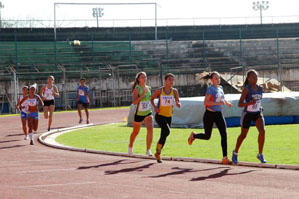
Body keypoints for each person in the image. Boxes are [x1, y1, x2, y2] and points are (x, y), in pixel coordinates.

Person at [187, 71, 233, 165]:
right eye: (216, 78)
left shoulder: (220, 88)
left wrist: (226, 103)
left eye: (219, 78)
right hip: (209, 114)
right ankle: (194, 136)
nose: (218, 80)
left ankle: (225, 158)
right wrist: (218, 103)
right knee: (207, 136)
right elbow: (206, 102)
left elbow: (221, 98)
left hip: (218, 114)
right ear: (211, 80)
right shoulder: (210, 89)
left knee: (224, 134)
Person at [232, 69, 266, 164]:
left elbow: (259, 100)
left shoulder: (260, 88)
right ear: (248, 78)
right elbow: (239, 104)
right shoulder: (247, 89)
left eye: (256, 77)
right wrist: (249, 103)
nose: (255, 78)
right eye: (252, 77)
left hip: (257, 113)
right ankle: (235, 153)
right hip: (248, 114)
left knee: (262, 131)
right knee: (243, 135)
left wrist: (259, 106)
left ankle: (260, 154)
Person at [150, 73, 181, 163]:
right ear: (165, 80)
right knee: (167, 131)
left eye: (172, 80)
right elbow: (151, 99)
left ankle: (158, 153)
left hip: (169, 116)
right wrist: (155, 107)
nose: (171, 81)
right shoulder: (160, 90)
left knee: (164, 135)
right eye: (169, 79)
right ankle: (158, 149)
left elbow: (177, 101)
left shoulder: (174, 91)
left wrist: (178, 104)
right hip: (160, 115)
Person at [128, 72, 153, 156]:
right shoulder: (137, 89)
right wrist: (142, 95)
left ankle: (148, 149)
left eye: (145, 77)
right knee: (136, 132)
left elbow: (149, 99)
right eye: (142, 77)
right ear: (138, 79)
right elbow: (134, 102)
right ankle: (130, 146)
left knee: (150, 129)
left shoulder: (148, 88)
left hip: (148, 112)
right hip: (139, 113)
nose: (144, 78)